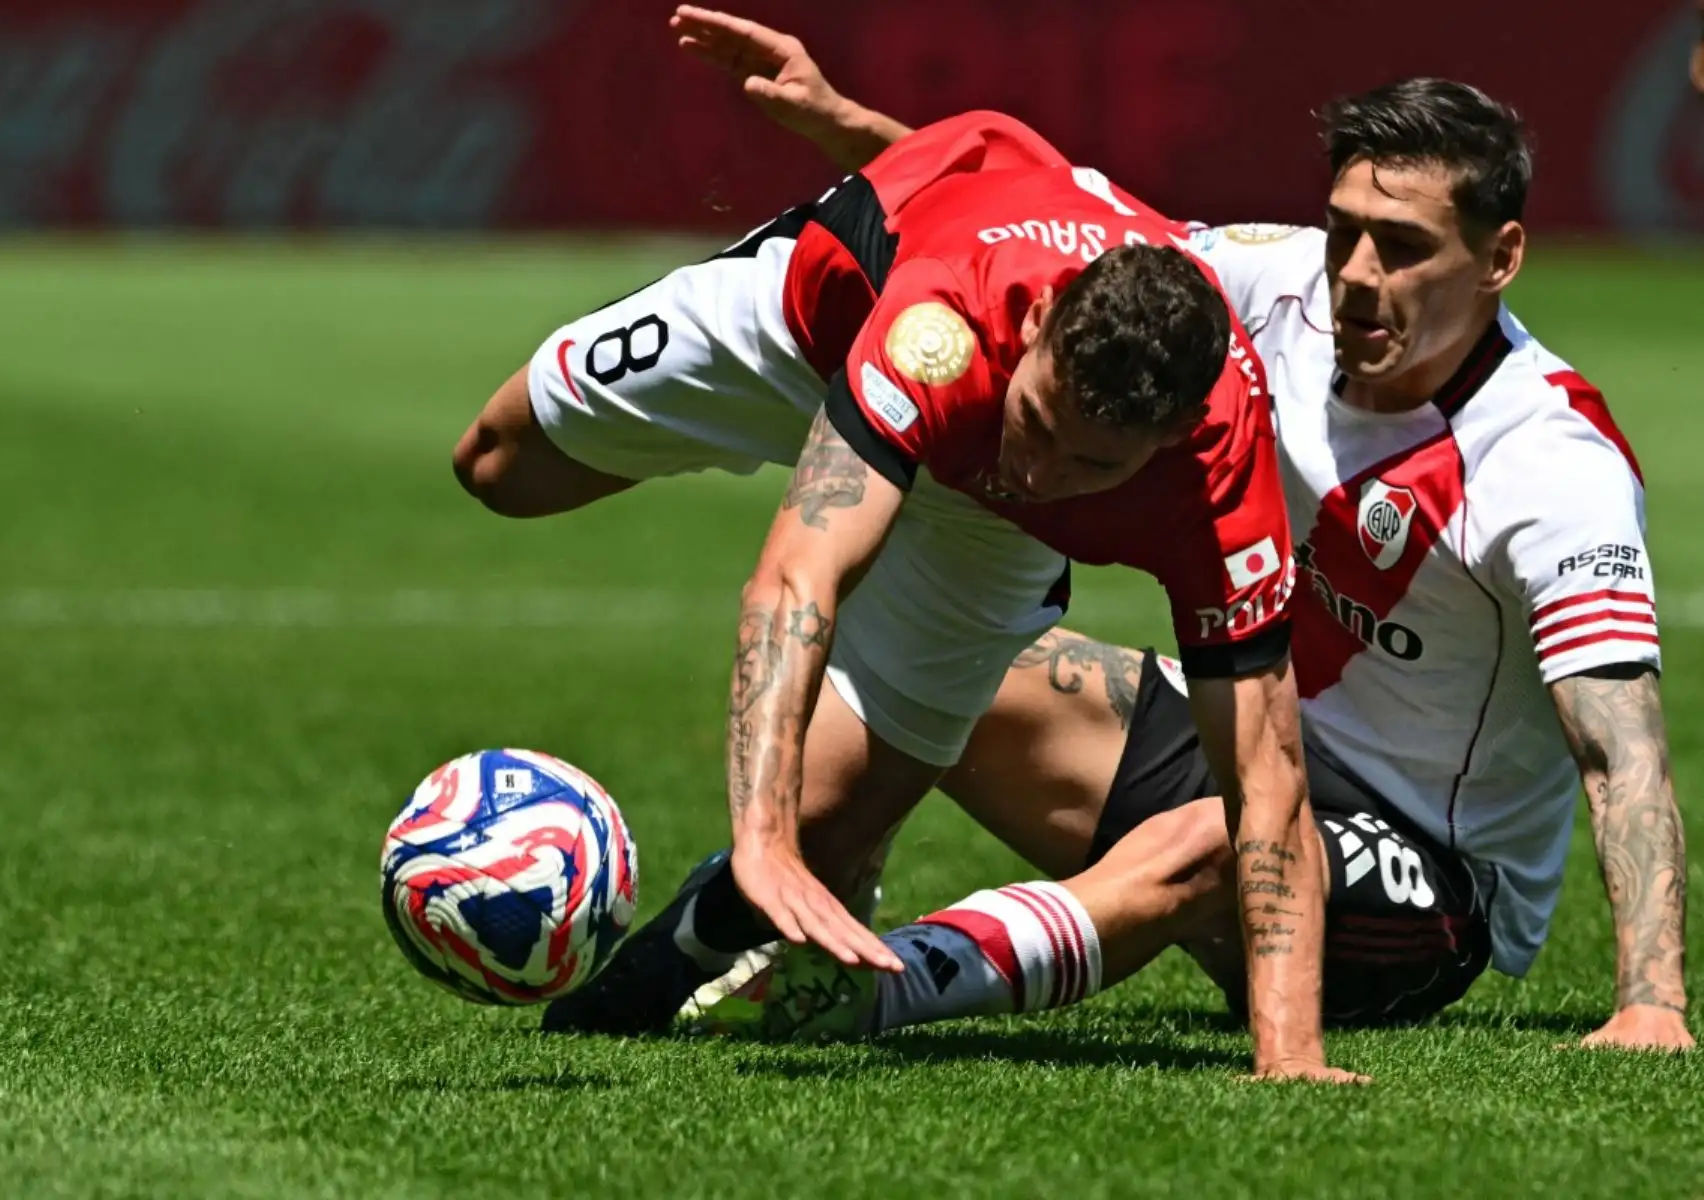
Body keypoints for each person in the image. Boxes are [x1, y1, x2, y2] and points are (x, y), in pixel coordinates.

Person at [672, 7, 1692, 1054]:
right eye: (1346, 229)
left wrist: (1652, 1000)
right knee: (948, 660)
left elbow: (1621, 750)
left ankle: (873, 991)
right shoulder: (1275, 283)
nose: (1356, 273)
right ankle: (749, 916)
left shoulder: (1554, 465)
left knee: (1222, 833)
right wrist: (845, 125)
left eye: (1404, 247)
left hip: (1430, 878)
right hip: (1263, 752)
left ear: (1501, 257)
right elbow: (1039, 223)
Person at [452, 29, 1354, 1079]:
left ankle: (658, 971)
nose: (1044, 466)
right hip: (809, 330)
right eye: (1039, 422)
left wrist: (1291, 1055)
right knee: (497, 468)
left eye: (1089, 465)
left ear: (1170, 437)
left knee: (827, 834)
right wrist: (759, 827)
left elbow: (1264, 767)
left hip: (979, 526)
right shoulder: (947, 322)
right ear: (1045, 319)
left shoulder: (1220, 469)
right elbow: (799, 575)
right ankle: (723, 441)